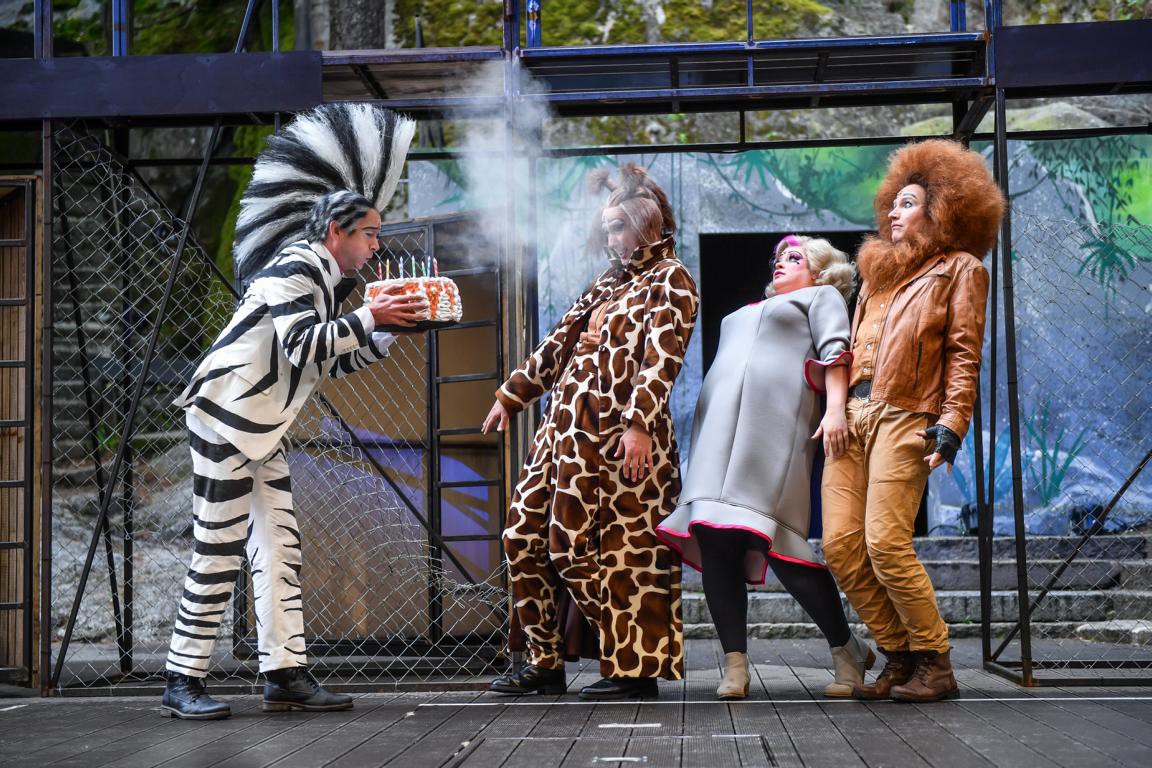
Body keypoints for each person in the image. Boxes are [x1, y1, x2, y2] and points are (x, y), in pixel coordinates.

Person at [161, 103, 423, 720]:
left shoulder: (322, 279)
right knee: (219, 548)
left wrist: (381, 333)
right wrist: (370, 319)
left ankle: (284, 672)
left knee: (278, 544)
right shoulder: (297, 267)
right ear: (337, 231)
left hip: (259, 423)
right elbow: (304, 344)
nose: (376, 244)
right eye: (369, 234)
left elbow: (327, 362)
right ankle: (181, 678)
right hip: (228, 415)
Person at [484, 164, 699, 701]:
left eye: (619, 227)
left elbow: (661, 360)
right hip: (562, 436)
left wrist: (640, 424)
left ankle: (634, 665)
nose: (611, 238)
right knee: (521, 536)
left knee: (592, 550)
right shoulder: (606, 283)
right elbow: (556, 344)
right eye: (605, 229)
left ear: (647, 226)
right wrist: (510, 396)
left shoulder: (670, 279)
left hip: (620, 443)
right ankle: (544, 661)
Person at [821, 138, 1004, 703]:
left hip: (908, 413)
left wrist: (951, 424)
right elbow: (849, 350)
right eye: (892, 204)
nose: (892, 214)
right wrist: (835, 409)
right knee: (840, 545)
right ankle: (897, 656)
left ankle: (936, 661)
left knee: (884, 542)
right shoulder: (875, 275)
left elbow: (964, 353)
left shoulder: (961, 269)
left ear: (942, 208)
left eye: (907, 203)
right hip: (853, 415)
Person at [657, 235, 874, 700]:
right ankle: (734, 664)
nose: (781, 263)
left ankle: (846, 650)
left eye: (794, 258)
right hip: (715, 432)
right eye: (778, 258)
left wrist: (835, 409)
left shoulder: (822, 297)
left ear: (820, 270)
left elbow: (837, 353)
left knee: (778, 541)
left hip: (773, 432)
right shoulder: (739, 314)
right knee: (713, 538)